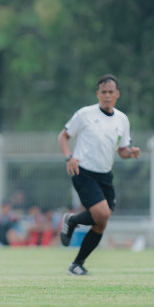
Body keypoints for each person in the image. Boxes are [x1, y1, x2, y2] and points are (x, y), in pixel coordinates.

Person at [57, 74, 140, 275]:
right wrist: (69, 157)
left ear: (117, 94)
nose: (107, 96)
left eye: (111, 92)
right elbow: (63, 136)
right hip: (83, 171)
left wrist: (130, 152)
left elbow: (121, 150)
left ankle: (76, 264)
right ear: (97, 94)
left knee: (101, 223)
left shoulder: (122, 119)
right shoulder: (85, 114)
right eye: (103, 92)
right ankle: (73, 221)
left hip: (105, 174)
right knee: (102, 214)